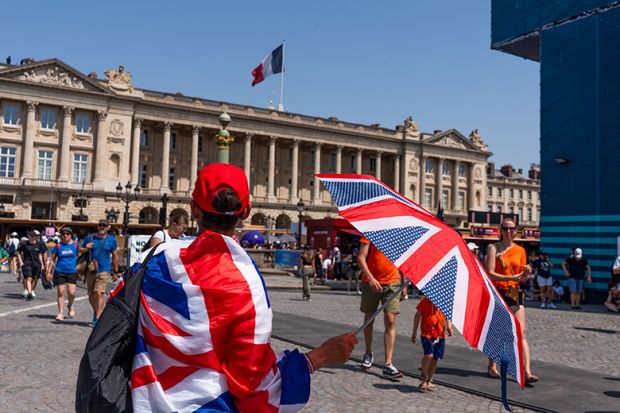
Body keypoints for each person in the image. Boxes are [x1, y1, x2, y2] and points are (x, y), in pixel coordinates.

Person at [130, 163, 357, 412]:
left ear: (194, 210)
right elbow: (255, 386)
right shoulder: (245, 284)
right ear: (246, 211)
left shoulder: (149, 260)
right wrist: (319, 357)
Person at [485, 217, 538, 384]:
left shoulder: (521, 250)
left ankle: (527, 372)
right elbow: (490, 272)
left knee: (521, 333)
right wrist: (511, 277)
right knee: (497, 332)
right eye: (506, 229)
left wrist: (527, 272)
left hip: (515, 292)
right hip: (498, 291)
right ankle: (492, 365)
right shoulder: (493, 248)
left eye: (512, 229)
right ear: (501, 230)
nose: (509, 232)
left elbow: (522, 278)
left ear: (516, 231)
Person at [358, 236, 406, 379]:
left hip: (392, 282)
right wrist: (371, 278)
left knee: (391, 320)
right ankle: (368, 352)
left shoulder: (398, 238)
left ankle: (388, 363)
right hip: (370, 282)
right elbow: (361, 258)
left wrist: (403, 284)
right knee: (369, 319)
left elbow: (402, 262)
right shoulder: (369, 235)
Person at [80, 220, 119, 325]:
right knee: (91, 295)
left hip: (104, 269)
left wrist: (115, 271)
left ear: (108, 228)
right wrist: (86, 248)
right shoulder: (90, 237)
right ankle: (97, 311)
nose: (102, 227)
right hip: (91, 269)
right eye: (100, 225)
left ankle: (98, 318)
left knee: (99, 292)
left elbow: (115, 256)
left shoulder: (112, 240)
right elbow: (80, 250)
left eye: (104, 226)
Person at [411, 296, 453, 391]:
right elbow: (418, 315)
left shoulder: (444, 302)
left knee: (435, 358)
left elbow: (447, 317)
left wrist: (449, 327)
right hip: (427, 334)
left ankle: (429, 380)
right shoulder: (425, 300)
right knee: (429, 355)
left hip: (440, 335)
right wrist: (414, 332)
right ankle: (423, 376)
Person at [47, 227, 78, 321]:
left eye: (67, 234)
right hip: (60, 270)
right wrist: (48, 271)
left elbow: (80, 257)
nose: (65, 236)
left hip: (72, 271)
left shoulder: (76, 245)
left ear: (71, 235)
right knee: (60, 292)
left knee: (71, 292)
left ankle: (70, 306)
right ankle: (60, 312)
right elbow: (52, 259)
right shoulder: (58, 246)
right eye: (63, 234)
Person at [17, 231, 45, 301]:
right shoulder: (24, 244)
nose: (32, 237)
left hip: (37, 264)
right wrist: (20, 261)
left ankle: (31, 290)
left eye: (34, 236)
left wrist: (42, 265)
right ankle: (29, 293)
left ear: (36, 237)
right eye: (31, 236)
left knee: (35, 278)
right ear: (28, 236)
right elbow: (18, 252)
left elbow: (40, 255)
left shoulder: (39, 244)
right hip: (27, 263)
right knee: (28, 278)